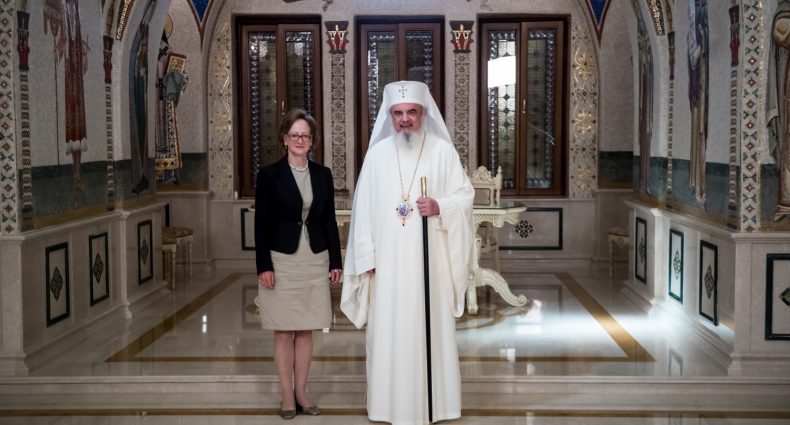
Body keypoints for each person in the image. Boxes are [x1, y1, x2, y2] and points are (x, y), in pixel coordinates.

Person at [341, 81, 475, 424]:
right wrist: (366, 257)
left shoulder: (442, 152)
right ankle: (387, 405)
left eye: (411, 112)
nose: (404, 119)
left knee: (429, 329)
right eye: (398, 113)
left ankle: (438, 405)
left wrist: (440, 205)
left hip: (431, 267)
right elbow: (363, 211)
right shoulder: (376, 156)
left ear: (423, 113)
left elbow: (465, 196)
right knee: (388, 332)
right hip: (386, 267)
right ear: (390, 116)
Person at [255, 109, 343, 419]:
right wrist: (264, 266)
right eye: (294, 135)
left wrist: (335, 261)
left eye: (305, 135)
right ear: (284, 138)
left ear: (312, 140)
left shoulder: (322, 174)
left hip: (315, 259)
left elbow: (329, 220)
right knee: (283, 331)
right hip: (281, 260)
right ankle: (286, 395)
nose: (300, 140)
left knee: (306, 330)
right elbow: (261, 223)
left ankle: (302, 392)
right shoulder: (269, 175)